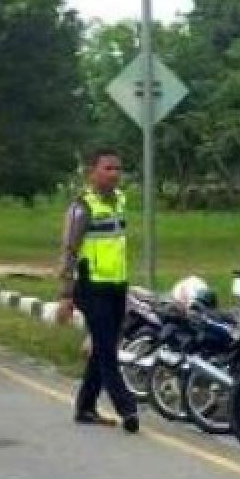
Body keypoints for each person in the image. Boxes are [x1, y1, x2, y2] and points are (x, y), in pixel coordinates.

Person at [57, 147, 140, 433]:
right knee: (106, 352)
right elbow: (69, 251)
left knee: (103, 349)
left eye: (118, 169)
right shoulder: (82, 207)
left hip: (116, 286)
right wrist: (65, 295)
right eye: (108, 168)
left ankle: (85, 407)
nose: (114, 174)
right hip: (92, 288)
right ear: (92, 172)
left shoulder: (118, 202)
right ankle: (127, 408)